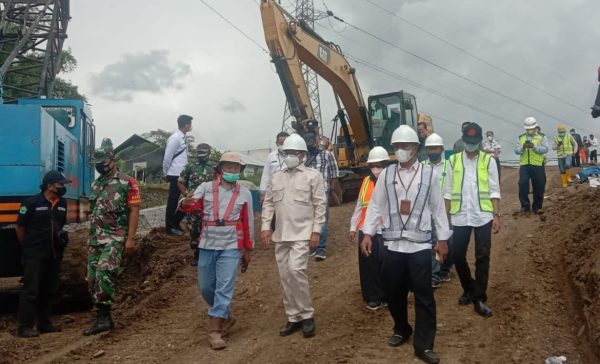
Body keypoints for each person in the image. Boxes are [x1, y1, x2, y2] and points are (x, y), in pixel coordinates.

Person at [361, 125, 451, 364]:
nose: (401, 150)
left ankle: (424, 344)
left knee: (424, 295)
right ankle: (401, 328)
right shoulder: (387, 175)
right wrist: (367, 234)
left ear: (416, 148)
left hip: (420, 246)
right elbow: (376, 205)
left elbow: (437, 209)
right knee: (393, 292)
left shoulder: (429, 175)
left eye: (405, 146)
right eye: (397, 147)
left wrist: (442, 239)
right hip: (392, 246)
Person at [179, 152, 254, 350]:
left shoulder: (245, 193)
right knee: (205, 286)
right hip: (207, 243)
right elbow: (189, 204)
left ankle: (215, 330)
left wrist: (248, 249)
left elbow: (248, 223)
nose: (232, 171)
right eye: (228, 167)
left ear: (240, 171)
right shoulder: (206, 188)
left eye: (236, 168)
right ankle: (226, 315)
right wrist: (184, 203)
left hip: (231, 245)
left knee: (224, 286)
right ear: (220, 169)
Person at [261, 134, 327, 339]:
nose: (289, 156)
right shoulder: (276, 177)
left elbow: (320, 205)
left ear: (302, 155)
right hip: (281, 235)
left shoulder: (312, 176)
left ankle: (307, 315)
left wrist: (316, 231)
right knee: (285, 276)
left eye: (293, 153)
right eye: (286, 153)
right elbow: (269, 203)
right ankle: (293, 317)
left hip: (302, 233)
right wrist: (265, 227)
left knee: (296, 270)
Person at [84, 138, 141, 336]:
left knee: (104, 272)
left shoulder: (128, 182)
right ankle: (100, 313)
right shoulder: (96, 184)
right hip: (95, 240)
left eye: (103, 163)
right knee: (91, 279)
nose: (100, 167)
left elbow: (134, 210)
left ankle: (104, 318)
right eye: (97, 165)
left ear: (112, 160)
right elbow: (93, 212)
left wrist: (131, 239)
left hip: (115, 238)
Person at [444, 122, 501, 318]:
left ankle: (479, 297)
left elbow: (494, 189)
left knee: (482, 256)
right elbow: (448, 191)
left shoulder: (488, 161)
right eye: (468, 142)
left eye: (474, 142)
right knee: (457, 254)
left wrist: (496, 215)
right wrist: (445, 218)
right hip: (460, 215)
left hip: (483, 215)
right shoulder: (452, 161)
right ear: (463, 139)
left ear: (479, 141)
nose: (471, 146)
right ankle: (468, 287)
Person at [15, 171, 71, 338]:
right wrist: (29, 246)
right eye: (61, 184)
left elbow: (60, 226)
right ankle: (24, 327)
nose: (63, 187)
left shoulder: (63, 203)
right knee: (31, 291)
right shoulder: (30, 203)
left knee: (49, 290)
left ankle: (44, 323)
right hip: (34, 254)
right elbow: (20, 227)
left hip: (54, 255)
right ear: (50, 186)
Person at [349, 146, 389, 310]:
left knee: (388, 264)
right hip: (366, 230)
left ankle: (389, 294)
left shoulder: (392, 181)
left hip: (386, 229)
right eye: (372, 166)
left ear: (386, 165)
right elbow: (360, 206)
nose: (375, 169)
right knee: (369, 266)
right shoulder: (366, 182)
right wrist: (353, 227)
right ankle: (373, 297)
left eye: (379, 165)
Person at [422, 133, 454, 289]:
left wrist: (445, 214)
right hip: (427, 211)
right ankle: (434, 275)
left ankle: (444, 270)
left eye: (435, 148)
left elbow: (450, 190)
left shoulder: (449, 166)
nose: (432, 151)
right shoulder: (422, 166)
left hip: (445, 210)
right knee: (431, 243)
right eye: (429, 148)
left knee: (448, 241)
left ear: (441, 149)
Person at [177, 143, 216, 266]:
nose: (201, 155)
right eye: (199, 152)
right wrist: (187, 195)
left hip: (211, 205)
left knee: (210, 228)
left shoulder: (215, 167)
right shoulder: (190, 167)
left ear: (209, 154)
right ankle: (197, 253)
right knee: (194, 230)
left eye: (204, 153)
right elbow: (180, 182)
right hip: (194, 205)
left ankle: (209, 253)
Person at [305, 135, 339, 261]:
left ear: (316, 141)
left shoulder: (327, 155)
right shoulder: (304, 157)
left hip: (322, 191)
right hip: (306, 193)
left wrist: (331, 191)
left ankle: (321, 248)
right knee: (309, 220)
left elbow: (334, 174)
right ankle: (313, 247)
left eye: (312, 141)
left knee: (322, 220)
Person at [163, 114, 193, 235]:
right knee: (173, 200)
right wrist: (165, 173)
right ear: (186, 125)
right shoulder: (175, 138)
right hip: (175, 173)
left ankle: (175, 223)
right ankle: (170, 227)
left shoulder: (182, 137)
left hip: (183, 173)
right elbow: (167, 157)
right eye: (190, 124)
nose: (191, 126)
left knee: (190, 198)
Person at [514, 117, 549, 214]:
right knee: (522, 184)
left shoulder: (542, 137)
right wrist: (523, 148)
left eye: (531, 128)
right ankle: (525, 207)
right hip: (525, 165)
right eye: (528, 129)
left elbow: (546, 149)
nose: (530, 130)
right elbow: (516, 150)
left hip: (537, 164)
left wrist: (535, 147)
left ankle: (537, 207)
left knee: (539, 186)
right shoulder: (521, 137)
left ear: (535, 127)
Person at [259, 131, 289, 200]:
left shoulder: (294, 156)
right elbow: (266, 175)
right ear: (277, 143)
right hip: (273, 190)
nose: (283, 145)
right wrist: (262, 192)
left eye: (285, 143)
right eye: (281, 143)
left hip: (289, 190)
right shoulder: (271, 156)